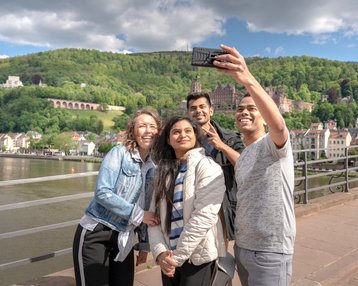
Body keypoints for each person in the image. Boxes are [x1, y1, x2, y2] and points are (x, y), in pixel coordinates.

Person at [213, 44, 296, 286]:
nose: (244, 112)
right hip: (244, 247)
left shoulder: (273, 143)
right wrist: (220, 145)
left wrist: (246, 78)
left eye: (252, 108)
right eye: (240, 109)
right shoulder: (246, 152)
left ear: (263, 114)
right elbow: (241, 164)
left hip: (270, 249)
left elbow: (279, 126)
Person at [72, 108, 162, 286]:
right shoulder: (119, 153)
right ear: (133, 131)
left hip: (124, 237)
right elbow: (102, 193)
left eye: (152, 126)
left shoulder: (154, 166)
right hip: (97, 233)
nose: (148, 130)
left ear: (158, 132)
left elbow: (148, 208)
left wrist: (144, 245)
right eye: (142, 126)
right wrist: (139, 215)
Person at [148, 115, 227, 286]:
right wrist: (161, 253)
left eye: (187, 131)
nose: (182, 135)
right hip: (169, 257)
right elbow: (154, 219)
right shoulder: (163, 171)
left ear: (195, 136)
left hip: (196, 257)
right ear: (168, 140)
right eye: (176, 132)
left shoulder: (207, 166)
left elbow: (204, 216)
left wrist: (177, 257)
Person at [186, 92, 245, 242]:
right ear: (188, 113)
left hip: (221, 207)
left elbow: (245, 165)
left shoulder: (229, 138)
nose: (198, 111)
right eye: (193, 108)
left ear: (211, 110)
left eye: (202, 106)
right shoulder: (183, 141)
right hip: (191, 206)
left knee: (222, 253)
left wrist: (222, 146)